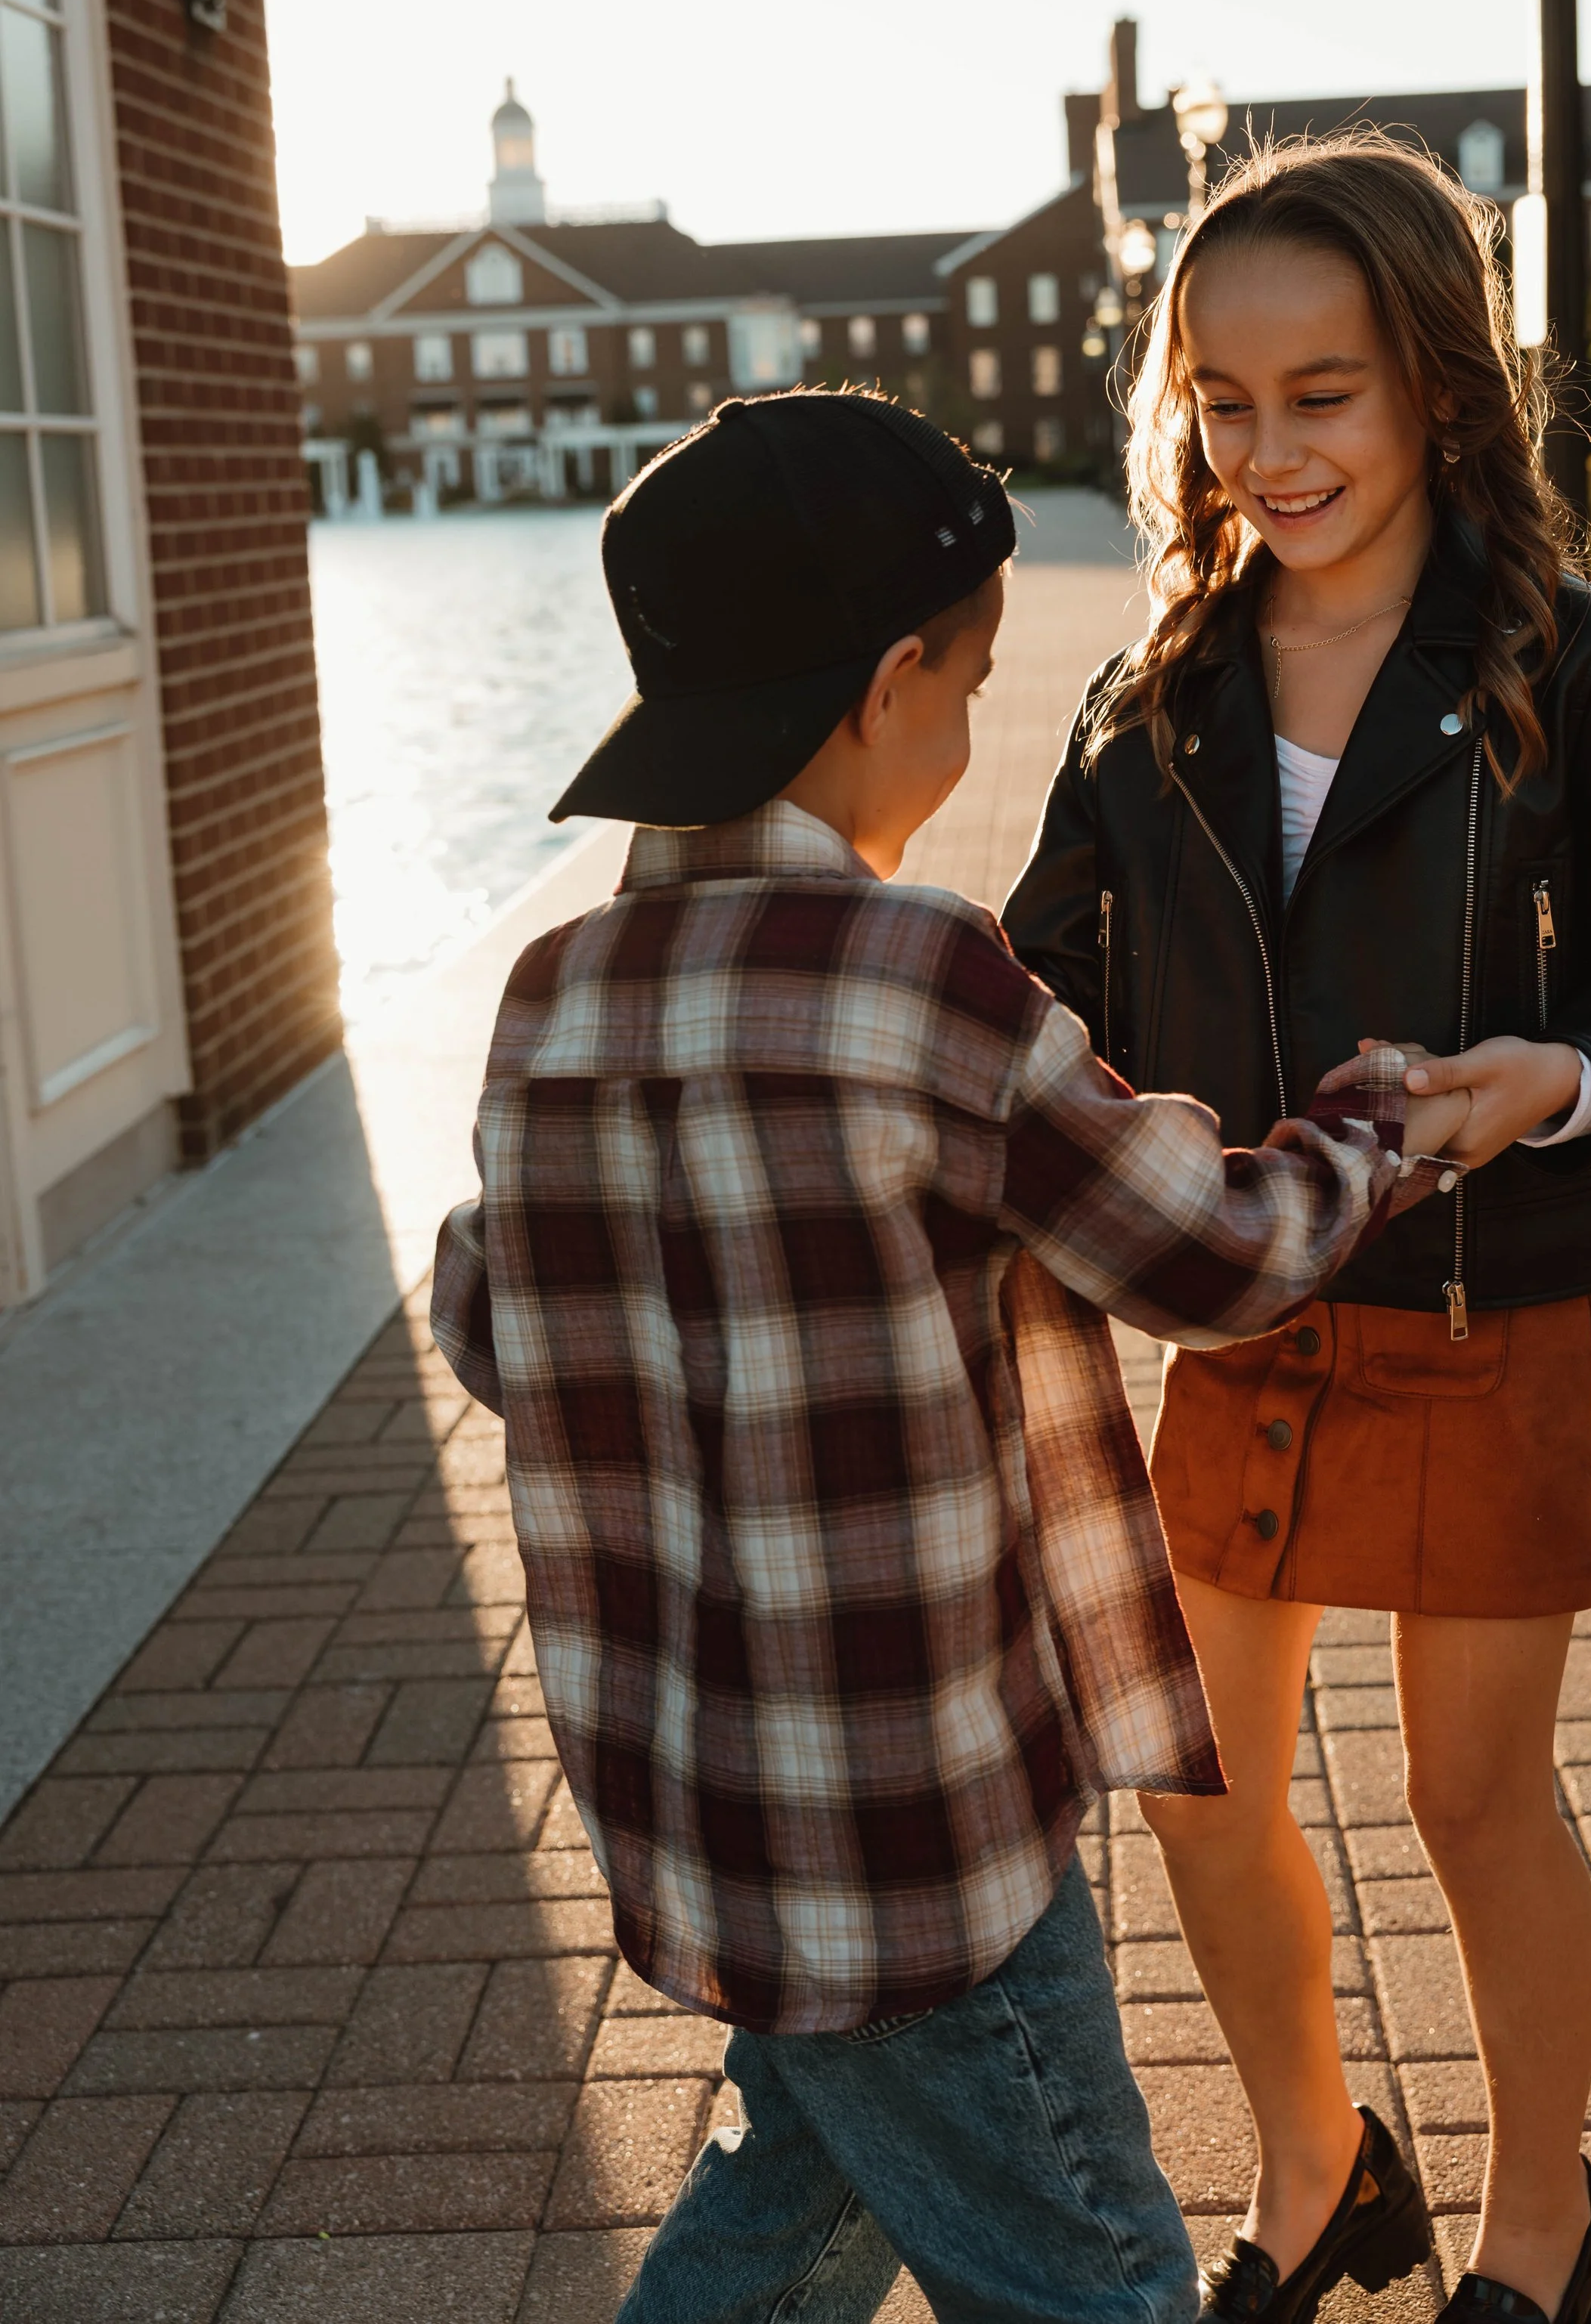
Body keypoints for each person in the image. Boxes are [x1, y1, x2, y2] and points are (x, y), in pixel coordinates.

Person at [429, 388, 1469, 2324]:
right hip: (921, 1848)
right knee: (1094, 2273)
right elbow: (1217, 1252)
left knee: (794, 2201)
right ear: (892, 680)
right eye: (975, 681)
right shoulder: (919, 979)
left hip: (701, 1802)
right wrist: (1379, 1121)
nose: (976, 726)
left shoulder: (547, 997)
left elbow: (490, 1322)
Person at [1003, 139, 1591, 2324]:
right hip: (1241, 1315)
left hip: (1484, 1312)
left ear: (1436, 385)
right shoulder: (1141, 697)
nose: (1268, 449)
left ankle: (1546, 2228)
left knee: (1466, 1792)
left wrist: (1557, 1078)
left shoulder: (1570, 659)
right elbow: (1026, 991)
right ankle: (1317, 2160)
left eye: (1320, 392)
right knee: (1191, 1787)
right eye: (1224, 399)